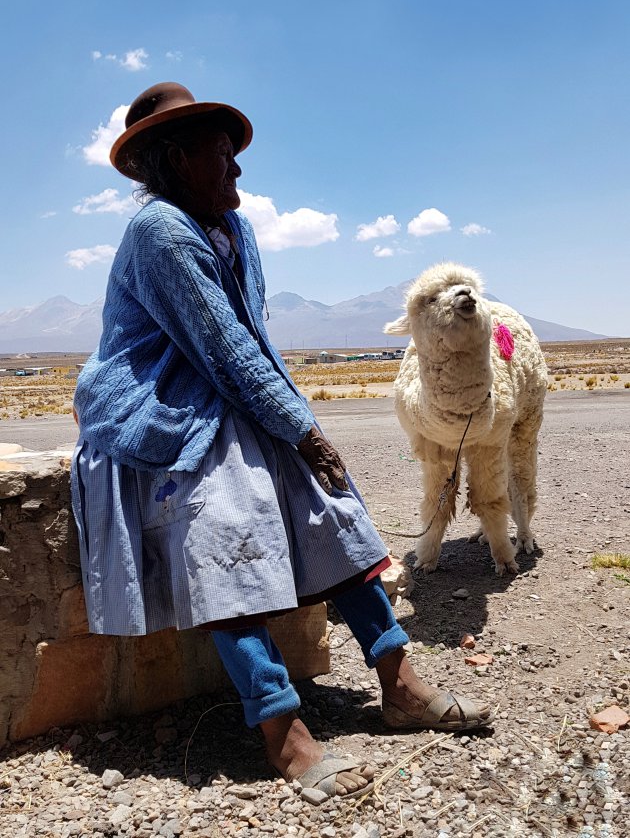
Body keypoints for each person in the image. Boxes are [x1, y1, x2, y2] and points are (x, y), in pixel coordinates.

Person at [71, 82, 491, 801]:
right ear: (173, 159)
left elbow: (253, 344)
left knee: (332, 509)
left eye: (236, 155)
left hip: (224, 397)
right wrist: (301, 428)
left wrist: (302, 434)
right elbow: (221, 346)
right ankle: (280, 727)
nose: (237, 170)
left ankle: (400, 682)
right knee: (225, 527)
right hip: (163, 412)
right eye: (220, 155)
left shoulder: (235, 228)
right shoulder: (160, 230)